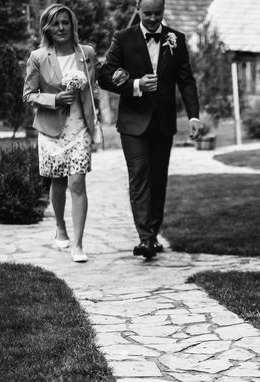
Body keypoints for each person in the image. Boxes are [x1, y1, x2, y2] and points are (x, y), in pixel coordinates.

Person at [98, 0, 201, 259]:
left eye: (158, 13)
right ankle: (145, 238)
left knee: (158, 179)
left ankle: (153, 234)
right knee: (139, 176)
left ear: (163, 11)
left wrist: (193, 116)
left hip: (163, 122)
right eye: (148, 14)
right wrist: (136, 85)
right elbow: (105, 76)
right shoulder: (123, 38)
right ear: (138, 10)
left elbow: (186, 81)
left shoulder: (176, 39)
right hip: (133, 123)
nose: (153, 19)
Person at [23, 4, 99, 263]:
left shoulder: (87, 53)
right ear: (47, 27)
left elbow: (93, 87)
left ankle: (78, 244)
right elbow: (28, 95)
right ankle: (60, 225)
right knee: (58, 181)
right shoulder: (38, 57)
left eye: (65, 22)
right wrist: (55, 99)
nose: (61, 27)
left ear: (72, 25)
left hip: (79, 127)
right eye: (55, 23)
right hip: (51, 129)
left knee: (77, 182)